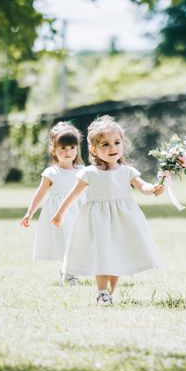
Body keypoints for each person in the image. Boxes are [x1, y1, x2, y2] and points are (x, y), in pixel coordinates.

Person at [51, 115, 164, 305]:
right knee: (102, 254)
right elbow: (73, 195)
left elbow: (143, 187)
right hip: (98, 221)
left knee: (116, 254)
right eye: (105, 144)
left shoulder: (127, 171)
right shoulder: (89, 173)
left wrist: (153, 189)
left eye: (117, 143)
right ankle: (101, 291)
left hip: (123, 220)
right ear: (93, 149)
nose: (112, 148)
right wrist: (60, 213)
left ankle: (110, 292)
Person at [20, 122, 85, 286]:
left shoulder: (83, 171)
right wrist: (30, 212)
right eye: (62, 148)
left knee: (80, 242)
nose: (67, 152)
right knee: (67, 242)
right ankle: (69, 272)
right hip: (60, 215)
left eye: (71, 147)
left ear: (77, 149)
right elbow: (40, 193)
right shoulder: (51, 173)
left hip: (79, 211)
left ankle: (71, 269)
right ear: (53, 150)